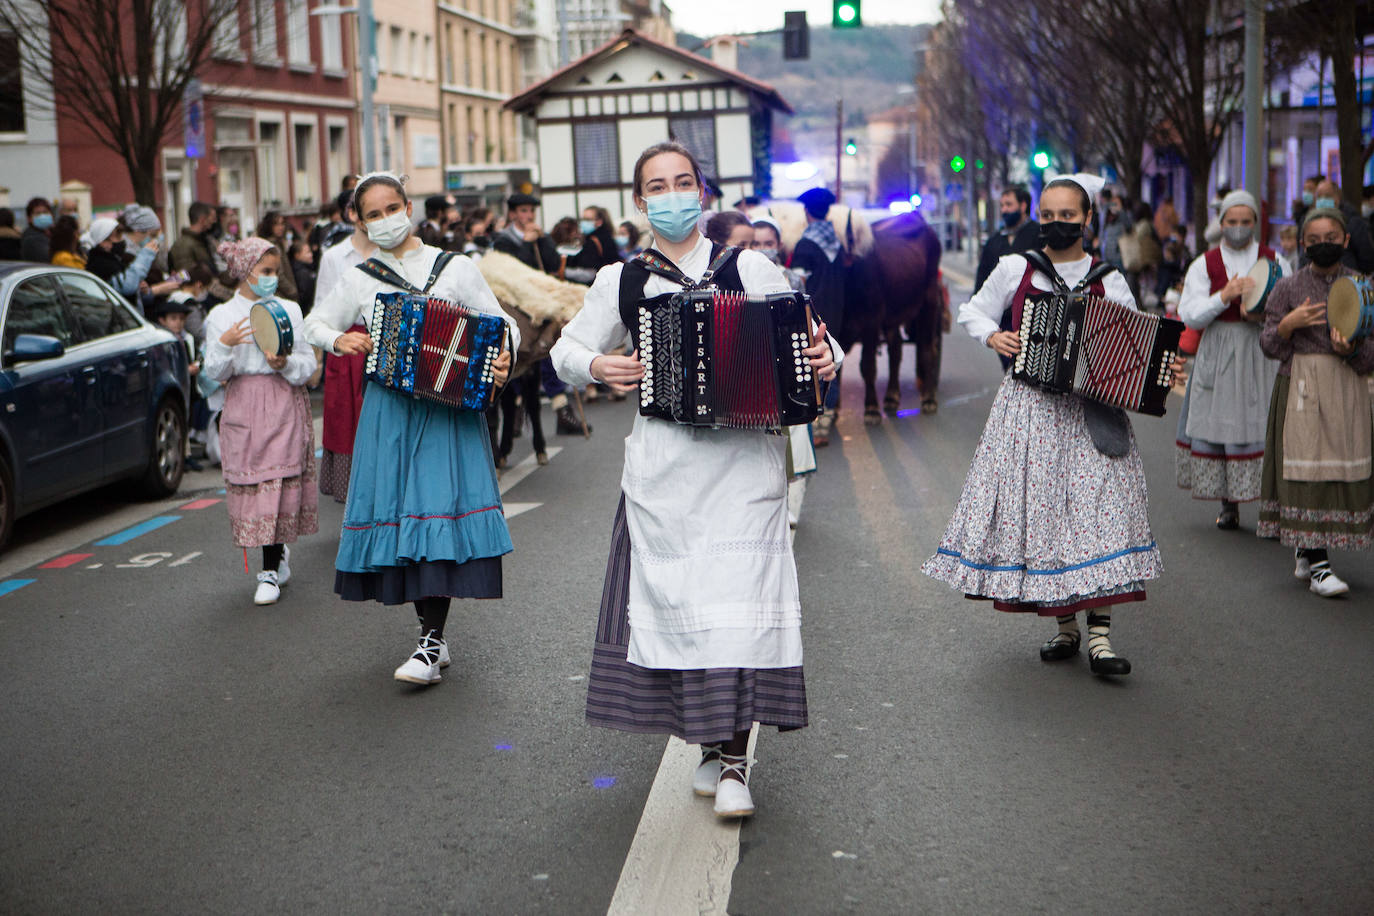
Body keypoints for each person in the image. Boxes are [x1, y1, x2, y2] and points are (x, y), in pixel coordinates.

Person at [551, 141, 840, 819]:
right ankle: (710, 744)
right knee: (685, 615)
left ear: (703, 193)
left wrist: (825, 356)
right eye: (658, 184)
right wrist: (599, 366)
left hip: (744, 468)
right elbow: (566, 350)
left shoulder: (752, 267)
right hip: (666, 474)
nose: (672, 194)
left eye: (684, 181)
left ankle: (737, 759)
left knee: (739, 613)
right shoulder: (622, 282)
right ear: (640, 201)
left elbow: (819, 340)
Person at [922, 174, 1182, 678]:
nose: (1057, 223)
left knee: (1100, 514)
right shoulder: (1018, 267)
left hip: (1093, 414)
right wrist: (995, 335)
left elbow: (1136, 341)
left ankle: (1100, 639)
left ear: (1088, 219)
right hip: (1032, 412)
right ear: (1038, 216)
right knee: (1048, 515)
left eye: (1068, 215)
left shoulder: (1108, 278)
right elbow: (972, 311)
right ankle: (1065, 627)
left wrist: (1159, 368)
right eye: (1048, 215)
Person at [303, 172, 517, 685]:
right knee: (408, 519)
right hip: (391, 410)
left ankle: (429, 640)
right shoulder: (359, 276)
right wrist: (339, 341)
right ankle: (431, 636)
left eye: (391, 208)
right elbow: (315, 321)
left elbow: (500, 320)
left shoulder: (456, 267)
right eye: (371, 214)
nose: (384, 220)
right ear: (357, 220)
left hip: (447, 409)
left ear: (409, 206)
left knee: (435, 511)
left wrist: (502, 356)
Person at [1258, 207, 1374, 597]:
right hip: (1300, 386)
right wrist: (1287, 326)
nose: (1322, 246)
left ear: (1345, 241)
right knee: (1306, 469)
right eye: (1314, 240)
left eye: (1330, 239)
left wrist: (1353, 349)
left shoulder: (1362, 285)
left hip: (1345, 386)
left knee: (1337, 469)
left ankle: (1308, 553)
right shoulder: (1288, 287)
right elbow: (1268, 344)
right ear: (1303, 244)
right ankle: (1319, 563)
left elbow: (1372, 352)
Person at [201, 238, 318, 605]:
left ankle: (268, 569)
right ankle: (273, 556)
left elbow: (307, 365)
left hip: (282, 403)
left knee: (277, 483)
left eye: (274, 271)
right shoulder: (220, 316)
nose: (272, 278)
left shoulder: (290, 311)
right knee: (254, 488)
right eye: (265, 271)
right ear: (244, 271)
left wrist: (286, 365)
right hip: (243, 406)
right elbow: (212, 372)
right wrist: (224, 343)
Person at [1175, 190, 1285, 530]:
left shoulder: (1274, 258)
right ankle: (1229, 503)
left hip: (1259, 349)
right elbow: (1190, 315)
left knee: (1264, 423)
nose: (1238, 227)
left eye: (1245, 221)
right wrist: (1224, 297)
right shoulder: (1204, 264)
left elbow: (1289, 303)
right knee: (1221, 424)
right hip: (1220, 347)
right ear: (1221, 223)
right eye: (1232, 221)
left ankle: (1274, 506)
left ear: (1255, 223)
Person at [312, 200, 378, 503]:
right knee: (344, 422)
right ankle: (354, 513)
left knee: (381, 424)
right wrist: (317, 356)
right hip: (345, 344)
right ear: (353, 215)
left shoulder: (391, 253)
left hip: (382, 341)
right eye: (371, 212)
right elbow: (322, 309)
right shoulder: (334, 256)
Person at [790, 186, 848, 444]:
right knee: (833, 359)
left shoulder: (805, 244)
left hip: (813, 314)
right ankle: (829, 414)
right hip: (838, 310)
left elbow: (796, 282)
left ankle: (820, 420)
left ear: (806, 212)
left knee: (818, 365)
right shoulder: (837, 242)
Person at [153, 297, 205, 471]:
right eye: (173, 319)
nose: (179, 323)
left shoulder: (187, 338)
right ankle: (179, 456)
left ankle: (187, 455)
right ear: (162, 320)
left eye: (182, 319)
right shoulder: (162, 341)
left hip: (188, 385)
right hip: (173, 385)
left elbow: (194, 356)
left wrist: (196, 365)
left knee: (187, 419)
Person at [974, 185, 1039, 294]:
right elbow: (982, 278)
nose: (1004, 210)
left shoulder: (1038, 235)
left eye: (1009, 205)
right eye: (1002, 205)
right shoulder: (994, 240)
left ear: (1023, 206)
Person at [1311, 179, 1374, 273]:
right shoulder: (1309, 222)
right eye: (1319, 196)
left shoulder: (1353, 223)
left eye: (1327, 196)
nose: (1322, 200)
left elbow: (1367, 260)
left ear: (1338, 198)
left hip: (1348, 282)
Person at [255, 211, 299, 301]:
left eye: (282, 224)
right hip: (279, 295)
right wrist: (293, 291)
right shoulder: (271, 246)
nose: (281, 227)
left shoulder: (279, 243)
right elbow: (278, 274)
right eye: (276, 224)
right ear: (269, 226)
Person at [170, 202, 219, 272]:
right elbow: (185, 273)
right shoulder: (183, 245)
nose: (214, 222)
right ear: (202, 219)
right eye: (212, 218)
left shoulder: (202, 240)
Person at [579, 205, 620, 270]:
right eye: (583, 219)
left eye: (588, 219)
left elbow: (590, 268)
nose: (583, 222)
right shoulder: (608, 236)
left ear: (599, 222)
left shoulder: (593, 241)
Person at [21, 197, 53, 263]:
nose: (43, 216)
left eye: (45, 212)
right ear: (29, 218)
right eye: (38, 213)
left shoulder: (50, 233)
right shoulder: (31, 238)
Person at [288, 240, 316, 314]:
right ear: (297, 255)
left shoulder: (304, 270)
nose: (311, 255)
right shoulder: (302, 273)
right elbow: (304, 297)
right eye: (307, 252)